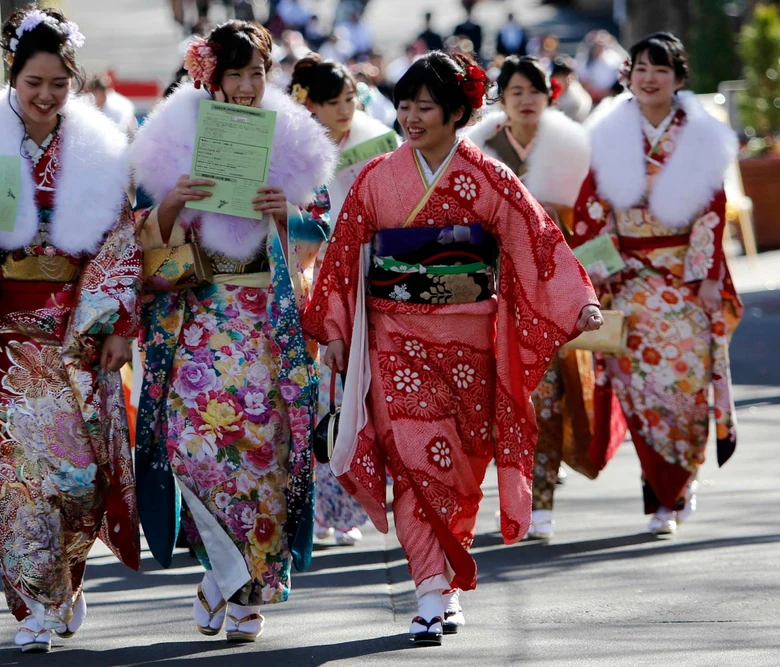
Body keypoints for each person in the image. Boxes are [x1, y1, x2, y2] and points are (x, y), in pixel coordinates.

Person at [304, 50, 602, 645]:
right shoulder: (376, 177)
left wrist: (576, 301)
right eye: (405, 105)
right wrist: (335, 333)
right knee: (413, 464)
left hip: (468, 344)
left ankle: (443, 578)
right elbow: (340, 258)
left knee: (457, 468)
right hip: (396, 340)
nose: (411, 117)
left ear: (458, 112)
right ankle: (429, 593)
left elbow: (534, 239)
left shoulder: (489, 178)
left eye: (426, 106)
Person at [0, 6, 142, 653]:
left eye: (57, 84)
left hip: (77, 340)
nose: (45, 97)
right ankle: (36, 608)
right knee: (21, 483)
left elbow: (121, 245)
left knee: (78, 483)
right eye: (32, 84)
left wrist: (117, 322)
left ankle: (67, 577)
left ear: (73, 83)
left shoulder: (100, 153)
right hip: (9, 345)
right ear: (13, 80)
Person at [131, 20, 337, 643]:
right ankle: (222, 571)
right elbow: (141, 241)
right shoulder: (169, 135)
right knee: (195, 449)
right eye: (235, 73)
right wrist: (172, 206)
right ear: (210, 77)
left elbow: (319, 232)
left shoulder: (294, 138)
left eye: (256, 73)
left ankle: (243, 592)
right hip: (199, 321)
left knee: (265, 457)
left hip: (265, 323)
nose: (248, 86)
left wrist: (290, 214)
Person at [574, 33, 743, 536]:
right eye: (641, 68)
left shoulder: (700, 133)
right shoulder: (607, 131)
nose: (649, 78)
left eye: (661, 69)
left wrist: (708, 275)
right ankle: (659, 490)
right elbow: (590, 210)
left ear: (679, 78)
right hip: (628, 280)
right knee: (641, 391)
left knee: (686, 388)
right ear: (628, 74)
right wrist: (602, 269)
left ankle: (682, 481)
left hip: (686, 284)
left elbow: (713, 210)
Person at [466, 55, 626, 540]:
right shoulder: (480, 150)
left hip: (552, 291)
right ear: (502, 99)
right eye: (515, 92)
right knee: (499, 395)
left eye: (534, 91)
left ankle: (542, 496)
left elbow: (596, 219)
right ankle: (513, 494)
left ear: (549, 95)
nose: (526, 100)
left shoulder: (573, 147)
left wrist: (596, 277)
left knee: (547, 397)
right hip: (494, 289)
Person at [289, 54, 398, 546]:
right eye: (332, 102)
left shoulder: (377, 142)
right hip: (309, 272)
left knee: (360, 386)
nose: (344, 110)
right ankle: (318, 501)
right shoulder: (292, 148)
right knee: (318, 390)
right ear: (306, 103)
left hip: (365, 273)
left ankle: (354, 500)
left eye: (350, 99)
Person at [551, 55, 592, 123]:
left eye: (566, 75)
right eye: (560, 76)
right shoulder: (549, 92)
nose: (566, 79)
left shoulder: (576, 95)